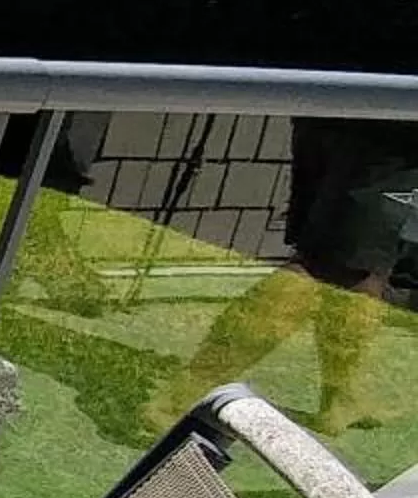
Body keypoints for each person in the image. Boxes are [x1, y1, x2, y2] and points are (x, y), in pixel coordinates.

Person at [148, 118, 418, 435]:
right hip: (395, 122)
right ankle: (181, 399)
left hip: (339, 95)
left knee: (362, 254)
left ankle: (340, 396)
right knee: (326, 265)